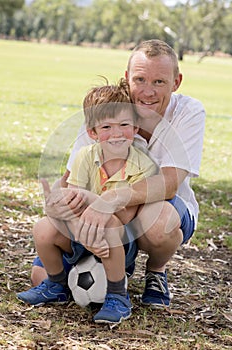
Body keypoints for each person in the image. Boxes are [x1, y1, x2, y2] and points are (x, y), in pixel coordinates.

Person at [23, 39, 205, 315]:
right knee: (41, 274)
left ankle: (155, 272)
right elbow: (71, 177)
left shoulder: (189, 112)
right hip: (97, 211)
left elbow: (168, 183)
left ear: (176, 82)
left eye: (159, 82)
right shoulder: (105, 110)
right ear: (127, 78)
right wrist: (55, 204)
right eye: (140, 79)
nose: (147, 91)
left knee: (157, 224)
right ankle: (83, 276)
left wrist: (109, 201)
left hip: (164, 209)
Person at [17, 79, 158, 324]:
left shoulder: (143, 165)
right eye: (106, 127)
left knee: (111, 222)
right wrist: (83, 234)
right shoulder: (84, 157)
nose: (116, 133)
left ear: (136, 128)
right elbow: (72, 204)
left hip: (118, 240)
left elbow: (125, 217)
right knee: (43, 228)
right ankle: (56, 285)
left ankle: (118, 296)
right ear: (92, 132)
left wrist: (92, 201)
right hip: (81, 232)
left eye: (124, 124)